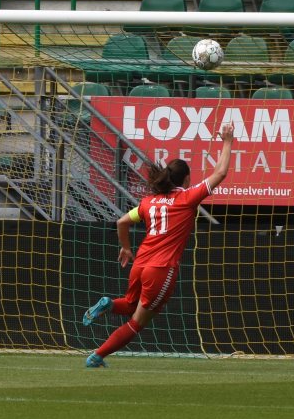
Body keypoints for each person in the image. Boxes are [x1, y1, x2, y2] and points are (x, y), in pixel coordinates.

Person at [82, 124, 234, 367]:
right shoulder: (187, 198)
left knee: (131, 304)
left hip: (140, 264)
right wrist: (227, 141)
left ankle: (109, 304)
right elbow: (221, 173)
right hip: (161, 268)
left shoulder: (148, 202)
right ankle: (97, 356)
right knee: (137, 321)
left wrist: (126, 248)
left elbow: (122, 222)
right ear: (186, 179)